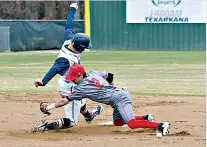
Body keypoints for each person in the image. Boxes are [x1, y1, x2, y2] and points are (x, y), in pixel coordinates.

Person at [33, 64, 169, 136]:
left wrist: (48, 107)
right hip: (117, 97)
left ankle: (160, 125)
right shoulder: (92, 73)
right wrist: (110, 87)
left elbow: (65, 101)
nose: (72, 80)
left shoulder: (81, 88)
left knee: (131, 123)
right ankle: (146, 117)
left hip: (119, 98)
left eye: (74, 77)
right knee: (118, 122)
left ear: (80, 75)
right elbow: (109, 75)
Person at [31, 3, 103, 132]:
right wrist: (43, 82)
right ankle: (46, 126)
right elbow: (54, 69)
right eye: (85, 48)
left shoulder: (70, 41)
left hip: (73, 82)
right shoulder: (64, 59)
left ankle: (88, 116)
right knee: (72, 121)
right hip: (69, 85)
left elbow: (69, 26)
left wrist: (72, 10)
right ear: (80, 47)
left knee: (82, 98)